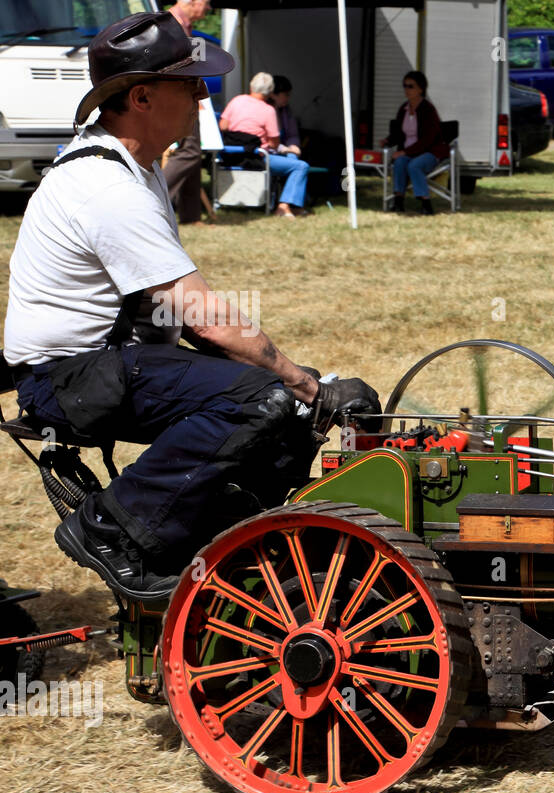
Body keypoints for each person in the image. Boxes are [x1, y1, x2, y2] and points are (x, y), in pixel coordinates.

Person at [3, 12, 380, 600]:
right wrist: (310, 385)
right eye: (189, 83)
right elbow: (203, 315)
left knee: (283, 410)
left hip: (108, 365)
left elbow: (186, 322)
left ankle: (226, 546)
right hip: (68, 378)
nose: (204, 93)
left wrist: (309, 390)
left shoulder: (135, 170)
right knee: (267, 398)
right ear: (142, 95)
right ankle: (112, 530)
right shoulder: (107, 187)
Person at [220, 72, 311, 219]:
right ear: (270, 92)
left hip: (231, 155)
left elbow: (223, 126)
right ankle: (284, 205)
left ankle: (291, 205)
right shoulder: (268, 111)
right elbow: (274, 143)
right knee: (300, 166)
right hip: (256, 157)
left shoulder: (236, 100)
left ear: (251, 86)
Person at [160, 0, 209, 225]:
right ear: (193, 1)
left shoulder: (182, 26)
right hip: (177, 96)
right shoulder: (172, 25)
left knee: (193, 152)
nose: (209, 9)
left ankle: (191, 215)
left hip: (184, 95)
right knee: (188, 151)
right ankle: (156, 201)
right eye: (207, 3)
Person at [382, 70, 450, 216]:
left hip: (430, 151)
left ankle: (426, 204)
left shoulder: (428, 110)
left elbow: (428, 140)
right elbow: (399, 133)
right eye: (405, 86)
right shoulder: (403, 109)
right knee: (400, 162)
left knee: (415, 165)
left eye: (410, 86)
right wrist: (388, 140)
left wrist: (405, 152)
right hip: (410, 151)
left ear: (421, 89)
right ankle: (398, 201)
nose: (406, 89)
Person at [271, 75, 302, 156]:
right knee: (301, 165)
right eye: (286, 94)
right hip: (268, 154)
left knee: (293, 157)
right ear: (273, 94)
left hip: (284, 152)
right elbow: (266, 141)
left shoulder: (286, 112)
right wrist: (283, 149)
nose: (288, 98)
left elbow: (293, 135)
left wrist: (293, 146)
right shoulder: (264, 111)